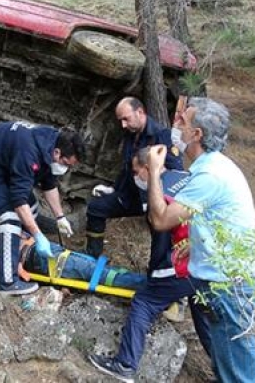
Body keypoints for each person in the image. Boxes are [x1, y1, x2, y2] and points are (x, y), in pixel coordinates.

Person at [151, 97, 255, 382]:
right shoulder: (218, 167)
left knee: (241, 376)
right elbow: (250, 219)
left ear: (196, 134)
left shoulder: (210, 174)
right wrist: (200, 240)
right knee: (228, 364)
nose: (176, 126)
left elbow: (161, 219)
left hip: (227, 289)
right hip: (224, 281)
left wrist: (153, 171)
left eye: (182, 122)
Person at [87, 151, 213, 383]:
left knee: (144, 302)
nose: (136, 177)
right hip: (209, 260)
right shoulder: (181, 175)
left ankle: (125, 365)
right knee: (202, 313)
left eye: (137, 172)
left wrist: (155, 278)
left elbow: (162, 241)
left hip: (184, 261)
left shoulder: (158, 194)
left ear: (148, 168)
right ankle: (227, 373)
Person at [0, 121, 85, 295]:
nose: (66, 169)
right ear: (57, 153)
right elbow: (19, 201)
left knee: (32, 205)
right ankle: (7, 282)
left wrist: (60, 217)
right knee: (11, 215)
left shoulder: (51, 144)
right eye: (66, 163)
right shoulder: (29, 152)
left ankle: (18, 245)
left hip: (3, 166)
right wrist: (38, 234)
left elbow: (49, 185)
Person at [84, 96, 183, 258]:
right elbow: (127, 169)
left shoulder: (163, 136)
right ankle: (91, 257)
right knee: (96, 208)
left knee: (161, 237)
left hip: (156, 200)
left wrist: (156, 196)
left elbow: (175, 173)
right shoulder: (130, 135)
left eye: (126, 119)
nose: (123, 124)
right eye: (120, 120)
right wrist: (113, 189)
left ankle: (161, 268)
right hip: (130, 196)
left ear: (140, 112)